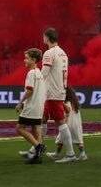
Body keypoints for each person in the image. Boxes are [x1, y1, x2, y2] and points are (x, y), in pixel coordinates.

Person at [41, 27, 75, 162]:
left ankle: (71, 154)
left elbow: (44, 73)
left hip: (52, 93)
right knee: (43, 118)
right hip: (59, 90)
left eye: (43, 36)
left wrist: (33, 80)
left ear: (47, 38)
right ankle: (36, 148)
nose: (43, 39)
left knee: (61, 122)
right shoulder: (63, 53)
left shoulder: (49, 53)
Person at [15, 48, 46, 165]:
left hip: (31, 106)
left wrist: (20, 103)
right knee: (36, 130)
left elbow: (29, 91)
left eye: (27, 58)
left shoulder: (31, 73)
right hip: (39, 106)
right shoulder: (39, 73)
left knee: (19, 128)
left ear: (33, 60)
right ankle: (38, 157)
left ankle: (38, 147)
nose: (24, 60)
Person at [49, 85, 88, 162]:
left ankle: (57, 154)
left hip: (69, 124)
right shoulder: (75, 103)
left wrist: (62, 103)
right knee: (77, 139)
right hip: (76, 124)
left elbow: (68, 110)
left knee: (62, 138)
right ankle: (82, 154)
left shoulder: (67, 102)